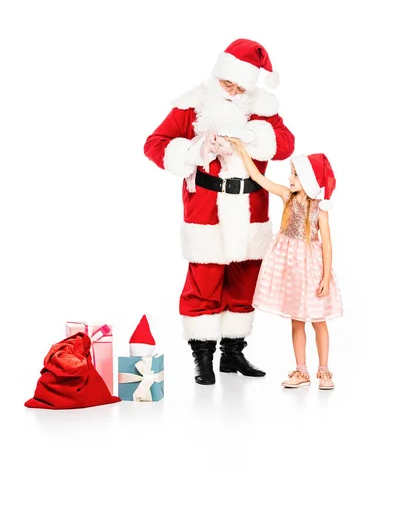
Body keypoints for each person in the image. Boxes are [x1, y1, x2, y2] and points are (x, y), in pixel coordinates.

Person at [144, 39, 295, 385]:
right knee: (204, 285)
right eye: (229, 83)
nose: (234, 91)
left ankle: (233, 353)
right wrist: (196, 149)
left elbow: (286, 143)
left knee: (245, 283)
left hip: (251, 209)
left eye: (241, 86)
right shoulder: (193, 105)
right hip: (206, 215)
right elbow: (154, 144)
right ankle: (203, 358)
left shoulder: (262, 106)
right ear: (219, 75)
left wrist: (251, 135)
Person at [227, 138, 343, 390]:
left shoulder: (320, 209)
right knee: (297, 320)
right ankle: (301, 371)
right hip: (290, 268)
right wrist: (242, 149)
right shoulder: (286, 196)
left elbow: (327, 244)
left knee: (318, 320)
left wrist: (324, 278)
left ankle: (324, 370)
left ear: (310, 180)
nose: (290, 178)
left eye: (296, 175)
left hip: (311, 269)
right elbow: (258, 177)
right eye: (291, 173)